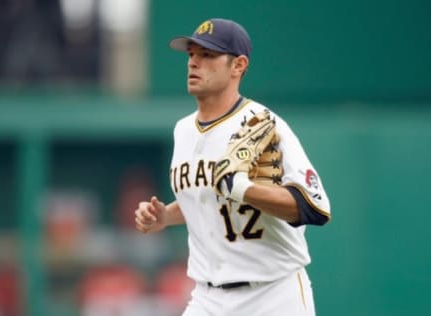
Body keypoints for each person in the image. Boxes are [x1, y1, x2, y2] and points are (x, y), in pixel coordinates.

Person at [135, 18, 331, 316]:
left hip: (273, 293)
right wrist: (166, 216)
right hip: (208, 297)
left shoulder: (264, 124)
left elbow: (315, 207)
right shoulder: (183, 130)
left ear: (238, 66)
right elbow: (208, 195)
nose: (194, 63)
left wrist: (244, 189)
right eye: (191, 54)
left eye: (208, 55)